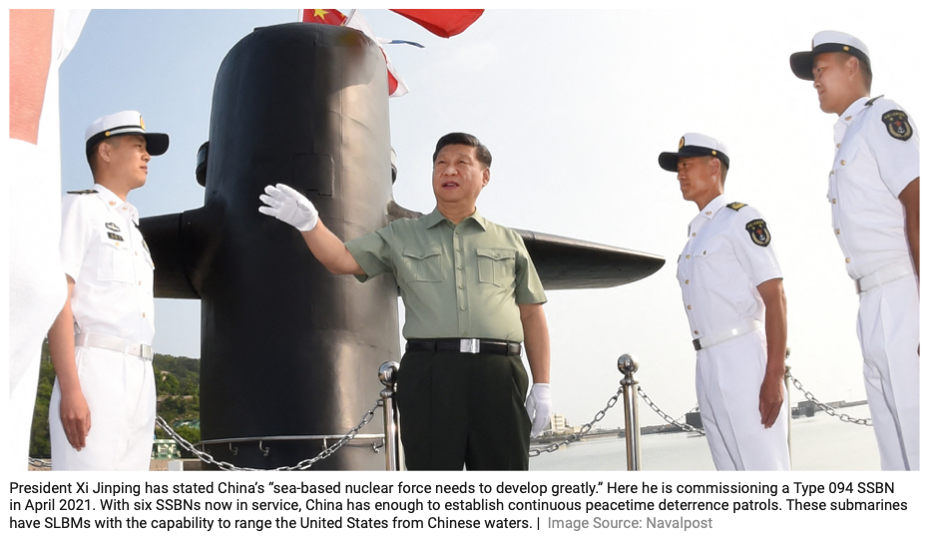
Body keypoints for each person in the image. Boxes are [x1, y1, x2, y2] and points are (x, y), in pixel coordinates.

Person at [259, 132, 551, 470]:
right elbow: (340, 259)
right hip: (430, 376)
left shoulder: (509, 241)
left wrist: (542, 383)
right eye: (440, 164)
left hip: (500, 374)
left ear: (484, 176)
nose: (449, 171)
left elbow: (532, 315)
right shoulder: (401, 234)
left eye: (461, 163)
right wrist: (310, 224)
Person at [790, 31, 919, 471]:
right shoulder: (848, 135)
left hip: (907, 292)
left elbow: (919, 200)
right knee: (896, 453)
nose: (815, 81)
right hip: (872, 301)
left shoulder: (883, 115)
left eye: (820, 69)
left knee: (920, 440)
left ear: (851, 66)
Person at [660, 133, 790, 471]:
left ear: (714, 166)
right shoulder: (695, 236)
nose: (680, 175)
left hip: (743, 357)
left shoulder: (740, 219)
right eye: (678, 169)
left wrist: (774, 376)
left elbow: (775, 298)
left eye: (686, 165)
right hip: (706, 362)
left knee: (765, 471)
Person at [48, 110, 169, 470]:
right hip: (96, 370)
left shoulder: (133, 228)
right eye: (138, 146)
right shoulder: (79, 207)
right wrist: (71, 388)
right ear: (105, 152)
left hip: (141, 374)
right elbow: (59, 300)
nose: (147, 156)